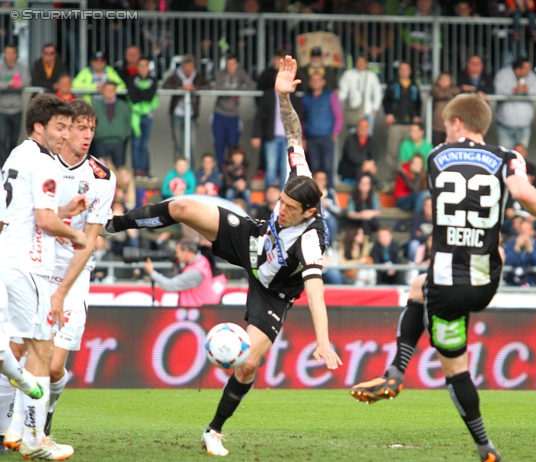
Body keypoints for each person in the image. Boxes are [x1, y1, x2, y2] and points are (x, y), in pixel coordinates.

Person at [103, 55, 341, 457]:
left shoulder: (311, 242)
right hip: (252, 240)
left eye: (288, 208)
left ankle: (213, 429)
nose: (280, 208)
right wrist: (282, 97)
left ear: (310, 213)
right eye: (280, 202)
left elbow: (315, 293)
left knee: (246, 366)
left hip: (274, 291)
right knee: (180, 208)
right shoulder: (299, 183)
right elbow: (294, 132)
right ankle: (112, 225)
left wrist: (323, 341)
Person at [350, 93, 536, 462]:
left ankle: (408, 381)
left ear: (456, 124)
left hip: (445, 289)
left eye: (447, 123)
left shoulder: (436, 155)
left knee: (454, 368)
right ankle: (398, 373)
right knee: (468, 261)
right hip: (486, 283)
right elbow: (521, 192)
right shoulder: (507, 158)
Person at [0, 94, 87, 460]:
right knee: (42, 349)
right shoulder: (45, 163)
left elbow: (16, 213)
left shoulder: (15, 157)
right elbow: (44, 221)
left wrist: (64, 210)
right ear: (40, 127)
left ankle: (16, 431)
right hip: (30, 265)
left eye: (69, 127)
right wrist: (79, 236)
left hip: (8, 256)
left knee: (16, 345)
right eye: (60, 127)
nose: (66, 136)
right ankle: (36, 439)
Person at [42, 99, 116, 437]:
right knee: (31, 358)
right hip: (38, 266)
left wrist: (62, 291)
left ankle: (49, 409)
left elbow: (89, 240)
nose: (87, 136)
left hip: (73, 273)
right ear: (65, 128)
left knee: (55, 366)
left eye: (92, 129)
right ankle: (24, 427)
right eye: (80, 128)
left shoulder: (101, 177)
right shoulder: (42, 164)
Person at [144, 237, 225, 307]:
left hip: (196, 315)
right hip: (196, 311)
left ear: (186, 251)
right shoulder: (201, 260)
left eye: (177, 252)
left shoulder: (196, 272)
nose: (176, 255)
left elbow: (170, 285)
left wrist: (152, 272)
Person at [211, 52, 255, 168]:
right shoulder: (220, 73)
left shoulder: (241, 73)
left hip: (233, 116)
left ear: (237, 64)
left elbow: (251, 86)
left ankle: (232, 172)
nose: (230, 67)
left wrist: (240, 93)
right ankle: (221, 173)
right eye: (228, 64)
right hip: (219, 114)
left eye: (232, 64)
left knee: (233, 147)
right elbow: (218, 89)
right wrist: (233, 95)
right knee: (219, 146)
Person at [163, 55, 211, 162]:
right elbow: (165, 85)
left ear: (194, 67)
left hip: (191, 115)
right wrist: (181, 88)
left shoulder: (198, 77)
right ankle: (178, 173)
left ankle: (191, 173)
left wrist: (194, 88)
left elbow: (208, 86)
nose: (188, 70)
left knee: (191, 145)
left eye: (190, 67)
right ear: (182, 67)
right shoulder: (176, 76)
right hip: (177, 115)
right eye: (186, 67)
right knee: (178, 145)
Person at [302, 72, 343, 189]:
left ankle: (330, 192)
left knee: (328, 166)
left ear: (323, 82)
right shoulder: (306, 98)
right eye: (313, 80)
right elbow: (302, 120)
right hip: (311, 138)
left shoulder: (330, 95)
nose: (315, 82)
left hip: (327, 136)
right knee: (314, 167)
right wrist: (303, 138)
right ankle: (315, 192)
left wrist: (336, 132)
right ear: (309, 83)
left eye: (318, 80)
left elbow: (338, 115)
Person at [383, 62, 422, 182]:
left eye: (406, 69)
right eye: (402, 69)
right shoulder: (392, 85)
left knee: (408, 152)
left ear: (410, 71)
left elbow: (419, 103)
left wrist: (417, 116)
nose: (404, 71)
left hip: (410, 126)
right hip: (396, 124)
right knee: (392, 153)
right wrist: (389, 114)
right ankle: (391, 180)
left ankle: (410, 179)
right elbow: (385, 102)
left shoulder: (414, 86)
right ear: (398, 71)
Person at [493, 56, 536, 150]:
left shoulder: (531, 76)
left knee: (521, 156)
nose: (528, 71)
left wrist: (528, 90)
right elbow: (498, 90)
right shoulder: (503, 74)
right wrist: (513, 90)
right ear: (518, 69)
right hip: (505, 125)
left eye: (529, 68)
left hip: (524, 125)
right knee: (505, 155)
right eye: (526, 68)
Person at [127, 55, 159, 179]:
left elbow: (150, 96)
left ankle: (145, 171)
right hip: (136, 116)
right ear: (138, 67)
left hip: (148, 116)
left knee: (145, 144)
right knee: (136, 144)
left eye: (145, 66)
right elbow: (134, 98)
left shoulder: (153, 79)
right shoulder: (132, 79)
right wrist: (143, 93)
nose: (143, 68)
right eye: (141, 66)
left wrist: (139, 92)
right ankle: (136, 171)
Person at [0, 44, 30, 168]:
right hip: (2, 109)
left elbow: (27, 80)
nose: (10, 56)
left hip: (17, 108)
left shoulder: (22, 68)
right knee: (1, 138)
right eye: (7, 53)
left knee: (14, 140)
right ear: (4, 54)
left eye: (12, 53)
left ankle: (11, 164)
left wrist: (21, 84)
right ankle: (2, 164)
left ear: (16, 54)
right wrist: (8, 84)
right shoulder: (1, 68)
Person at [338, 53, 383, 133]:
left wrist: (375, 108)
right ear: (355, 63)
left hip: (368, 111)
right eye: (359, 61)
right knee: (353, 136)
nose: (361, 64)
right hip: (353, 110)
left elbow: (377, 93)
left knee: (367, 136)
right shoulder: (348, 74)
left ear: (367, 64)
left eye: (363, 62)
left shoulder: (372, 76)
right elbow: (343, 92)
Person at [92, 81, 131, 169]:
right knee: (100, 169)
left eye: (112, 89)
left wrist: (124, 135)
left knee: (119, 168)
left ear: (115, 91)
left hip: (118, 142)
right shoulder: (96, 107)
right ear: (102, 91)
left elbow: (128, 123)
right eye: (107, 89)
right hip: (101, 141)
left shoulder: (123, 106)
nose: (110, 92)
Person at [338, 118, 380, 186]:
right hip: (349, 171)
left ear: (368, 128)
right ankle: (375, 182)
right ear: (357, 127)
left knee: (366, 170)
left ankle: (374, 182)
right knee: (360, 168)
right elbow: (353, 156)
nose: (363, 128)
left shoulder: (371, 140)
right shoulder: (350, 139)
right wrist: (367, 165)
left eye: (365, 126)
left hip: (365, 171)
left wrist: (371, 165)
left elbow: (375, 155)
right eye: (361, 126)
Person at [504, 220, 536, 286]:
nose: (523, 232)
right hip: (513, 282)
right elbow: (508, 262)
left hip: (531, 283)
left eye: (526, 229)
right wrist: (516, 248)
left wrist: (530, 249)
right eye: (522, 229)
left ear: (532, 232)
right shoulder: (511, 243)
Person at [431, 72, 461, 146]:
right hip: (437, 126)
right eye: (442, 79)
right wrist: (449, 93)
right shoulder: (435, 90)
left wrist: (448, 91)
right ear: (438, 81)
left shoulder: (455, 90)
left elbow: (458, 90)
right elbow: (439, 95)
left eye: (446, 79)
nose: (444, 81)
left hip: (450, 125)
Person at [346, 173, 381, 237]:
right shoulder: (353, 196)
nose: (365, 185)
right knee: (364, 221)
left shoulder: (374, 196)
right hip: (357, 222)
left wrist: (369, 213)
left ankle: (366, 240)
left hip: (371, 222)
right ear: (358, 184)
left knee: (367, 221)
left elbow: (378, 211)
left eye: (367, 183)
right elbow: (350, 213)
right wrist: (361, 215)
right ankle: (366, 241)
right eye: (363, 183)